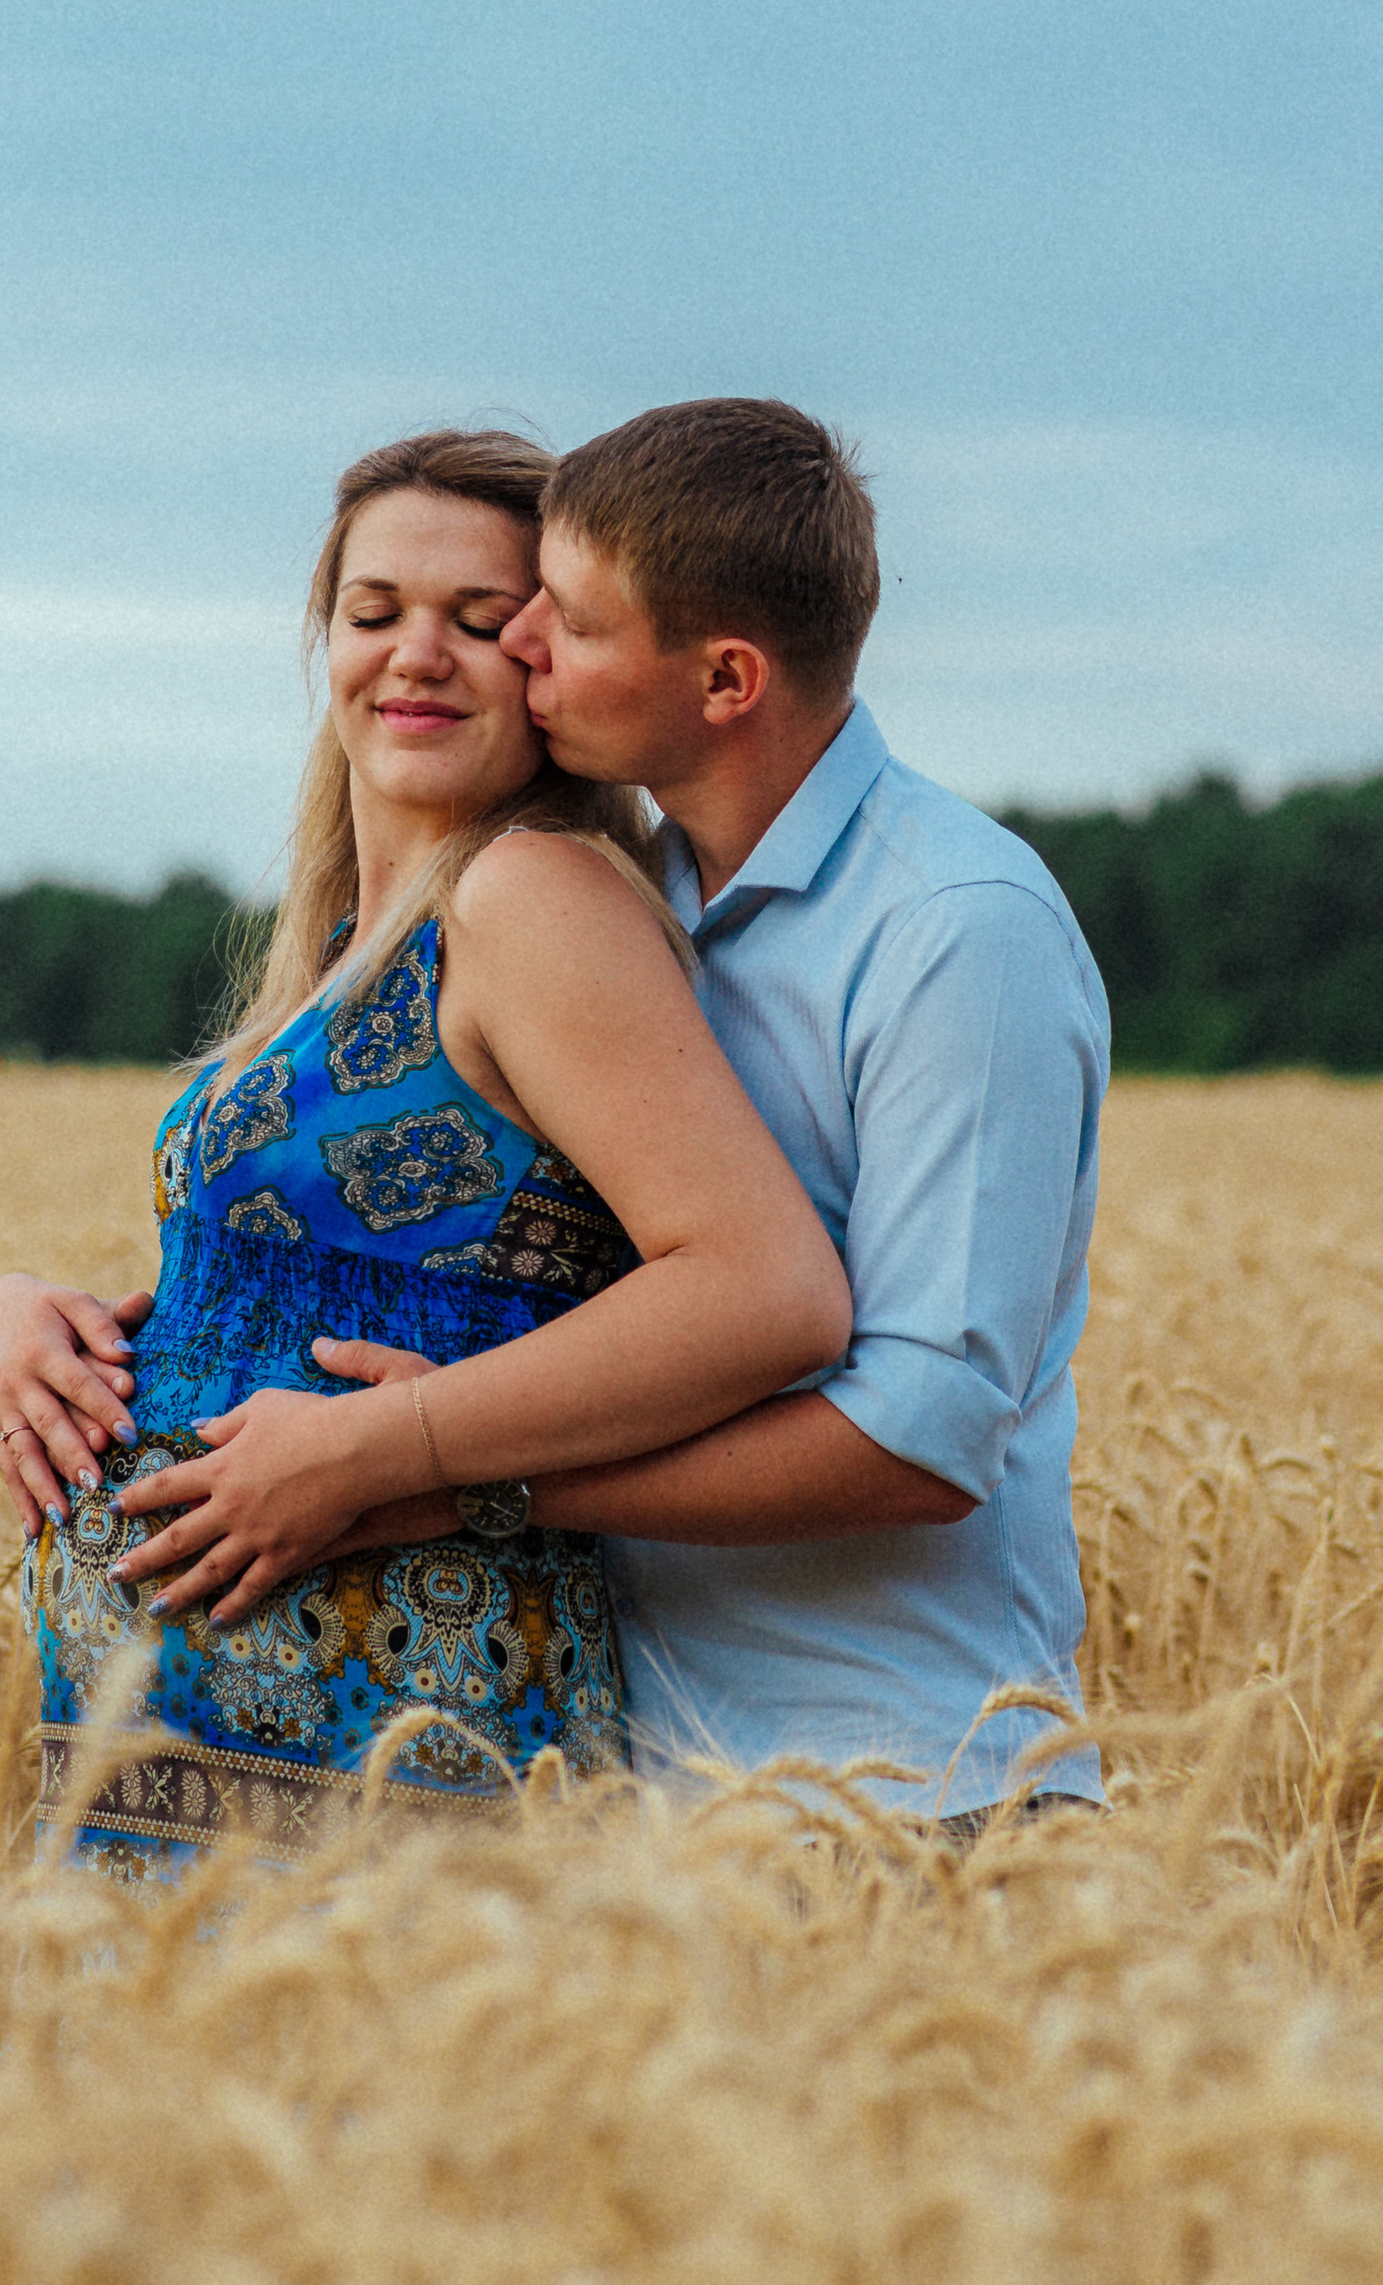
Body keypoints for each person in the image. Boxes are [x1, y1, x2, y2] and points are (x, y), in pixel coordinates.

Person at [58, 398, 1111, 1837]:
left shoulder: (953, 929)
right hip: (638, 1763)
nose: (520, 649)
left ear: (726, 676)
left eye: (542, 618)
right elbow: (440, 1284)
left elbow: (919, 1430)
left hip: (899, 1773)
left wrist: (437, 1477)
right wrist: (51, 1330)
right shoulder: (640, 900)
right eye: (377, 609)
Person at [0, 428, 848, 1874]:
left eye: (480, 621)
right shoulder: (336, 952)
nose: (417, 654)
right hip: (182, 1769)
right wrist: (20, 1312)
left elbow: (766, 1287)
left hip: (397, 1760)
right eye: (375, 613)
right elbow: (311, 1288)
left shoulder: (531, 894)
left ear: (549, 663)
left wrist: (384, 1449)